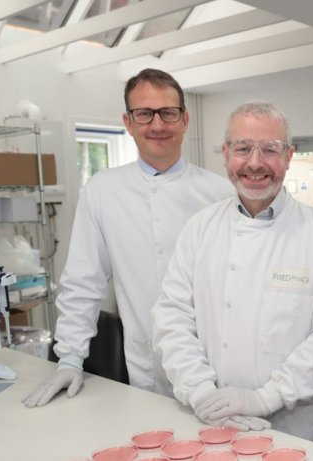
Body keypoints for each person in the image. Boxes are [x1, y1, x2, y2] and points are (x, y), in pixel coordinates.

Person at [23, 68, 233, 407]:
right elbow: (83, 282)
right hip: (144, 364)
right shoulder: (103, 192)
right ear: (128, 122)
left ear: (185, 119)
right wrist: (70, 358)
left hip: (218, 366)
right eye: (144, 113)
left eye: (168, 112)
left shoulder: (221, 193)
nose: (158, 124)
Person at [151, 101, 313, 445]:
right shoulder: (199, 229)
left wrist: (267, 397)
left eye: (270, 149)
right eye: (243, 148)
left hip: (294, 428)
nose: (255, 163)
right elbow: (172, 319)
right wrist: (200, 392)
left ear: (289, 156)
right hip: (210, 421)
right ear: (226, 154)